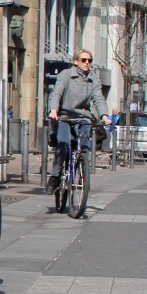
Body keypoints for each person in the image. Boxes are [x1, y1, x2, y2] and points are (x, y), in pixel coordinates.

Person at [46, 50, 109, 192]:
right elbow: (57, 93)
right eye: (84, 60)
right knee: (64, 143)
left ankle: (81, 171)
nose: (87, 63)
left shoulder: (93, 79)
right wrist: (54, 110)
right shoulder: (66, 75)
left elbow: (98, 98)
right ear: (76, 61)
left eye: (89, 60)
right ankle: (55, 176)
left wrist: (104, 116)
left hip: (83, 117)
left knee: (86, 147)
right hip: (64, 116)